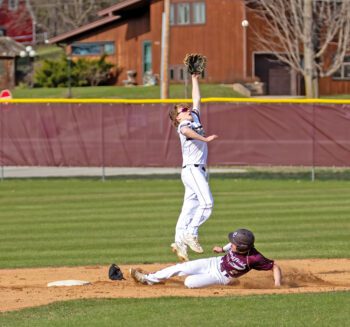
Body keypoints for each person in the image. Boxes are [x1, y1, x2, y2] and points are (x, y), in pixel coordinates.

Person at [168, 73, 218, 262]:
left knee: (189, 209)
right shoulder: (183, 126)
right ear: (177, 117)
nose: (188, 110)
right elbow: (188, 132)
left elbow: (197, 99)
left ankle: (179, 242)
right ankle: (191, 233)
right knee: (207, 203)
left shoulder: (194, 117)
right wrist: (205, 139)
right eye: (184, 109)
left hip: (197, 172)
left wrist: (195, 79)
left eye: (187, 108)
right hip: (192, 170)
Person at [130, 228, 282, 289]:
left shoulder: (254, 258)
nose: (232, 243)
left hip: (221, 277)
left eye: (235, 243)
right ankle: (148, 279)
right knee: (181, 267)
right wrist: (222, 249)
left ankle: (230, 284)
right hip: (213, 262)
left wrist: (277, 284)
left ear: (243, 247)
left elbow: (274, 266)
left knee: (189, 282)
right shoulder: (237, 245)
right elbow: (231, 244)